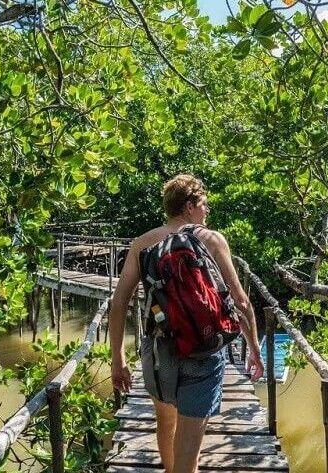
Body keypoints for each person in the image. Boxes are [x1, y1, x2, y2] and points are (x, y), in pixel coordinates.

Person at [109, 174, 265, 473]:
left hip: (158, 350)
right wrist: (254, 348)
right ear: (190, 205)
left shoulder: (142, 243)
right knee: (190, 447)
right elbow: (241, 302)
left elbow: (119, 303)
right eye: (204, 205)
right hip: (202, 351)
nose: (207, 212)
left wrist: (117, 358)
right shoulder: (211, 239)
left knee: (166, 423)